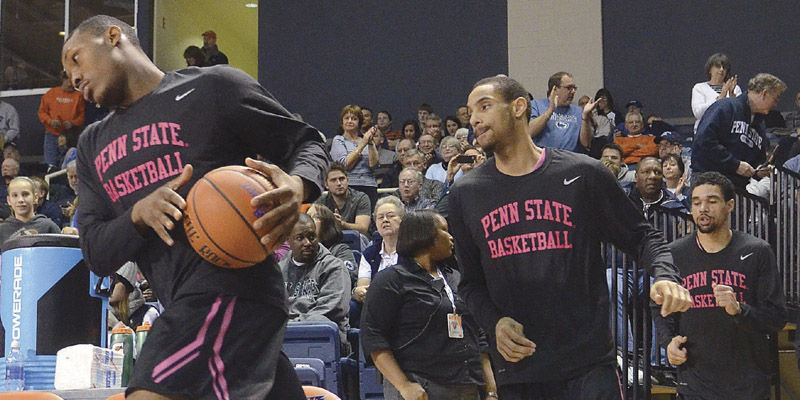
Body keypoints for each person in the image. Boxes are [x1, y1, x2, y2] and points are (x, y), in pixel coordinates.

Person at [62, 15, 329, 399]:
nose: (73, 77)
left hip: (235, 288)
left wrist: (297, 185)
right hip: (186, 307)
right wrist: (138, 215)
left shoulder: (214, 86)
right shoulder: (91, 146)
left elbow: (307, 142)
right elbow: (96, 253)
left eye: (76, 58)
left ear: (113, 36)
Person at [450, 75, 691, 399]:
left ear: (519, 107)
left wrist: (663, 276)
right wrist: (494, 323)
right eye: (470, 111)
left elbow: (643, 238)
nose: (474, 118)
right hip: (520, 370)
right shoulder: (466, 193)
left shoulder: (582, 174)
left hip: (587, 364)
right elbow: (470, 284)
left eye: (484, 106)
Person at [656, 172, 787, 400]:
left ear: (730, 205)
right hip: (694, 385)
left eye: (712, 201)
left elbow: (776, 318)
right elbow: (658, 308)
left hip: (747, 386)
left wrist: (739, 309)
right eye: (696, 202)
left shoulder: (757, 251)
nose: (703, 208)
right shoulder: (675, 254)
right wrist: (668, 343)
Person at [361, 210, 497, 400]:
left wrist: (491, 389)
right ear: (424, 236)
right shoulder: (391, 279)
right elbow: (373, 337)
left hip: (467, 385)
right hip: (419, 388)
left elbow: (478, 336)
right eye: (444, 230)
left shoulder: (456, 278)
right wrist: (404, 385)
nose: (451, 237)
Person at [692, 73, 786, 189]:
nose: (775, 104)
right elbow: (703, 141)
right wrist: (735, 164)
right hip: (708, 181)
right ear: (764, 93)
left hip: (737, 189)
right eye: (775, 99)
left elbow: (754, 162)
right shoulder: (725, 107)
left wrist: (757, 172)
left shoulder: (760, 126)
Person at [280, 213, 351, 347]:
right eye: (300, 238)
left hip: (322, 338)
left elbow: (331, 310)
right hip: (286, 336)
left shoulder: (334, 266)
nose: (307, 243)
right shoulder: (280, 268)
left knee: (318, 320)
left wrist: (291, 326)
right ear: (288, 239)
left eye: (312, 237)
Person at [350, 195, 404, 327]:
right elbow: (363, 287)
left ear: (403, 220)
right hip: (375, 308)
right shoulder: (370, 253)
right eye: (380, 217)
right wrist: (357, 292)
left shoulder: (412, 250)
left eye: (390, 216)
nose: (385, 220)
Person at [527, 71, 596, 153]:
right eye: (569, 88)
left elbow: (586, 143)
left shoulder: (579, 111)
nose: (573, 91)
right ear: (555, 89)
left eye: (574, 88)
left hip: (570, 160)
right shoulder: (536, 105)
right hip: (543, 159)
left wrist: (585, 116)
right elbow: (529, 132)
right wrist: (550, 110)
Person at [330, 104, 379, 208]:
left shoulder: (366, 140)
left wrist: (370, 143)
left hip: (369, 186)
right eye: (346, 118)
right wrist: (362, 145)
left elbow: (374, 165)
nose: (350, 121)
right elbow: (344, 165)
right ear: (342, 121)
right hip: (349, 187)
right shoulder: (338, 140)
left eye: (354, 119)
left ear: (359, 122)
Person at [38, 71, 85, 169]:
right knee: (50, 164)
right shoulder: (51, 93)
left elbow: (81, 117)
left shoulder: (78, 96)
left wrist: (72, 123)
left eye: (74, 81)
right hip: (52, 134)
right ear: (63, 79)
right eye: (69, 80)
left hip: (70, 135)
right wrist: (50, 121)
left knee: (69, 164)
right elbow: (41, 113)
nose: (71, 83)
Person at [306, 203, 357, 284]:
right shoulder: (298, 252)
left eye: (316, 217)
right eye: (308, 217)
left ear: (327, 224)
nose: (310, 222)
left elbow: (347, 276)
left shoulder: (341, 250)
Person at [314, 162, 371, 235]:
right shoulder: (321, 201)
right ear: (326, 185)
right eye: (333, 180)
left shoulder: (361, 198)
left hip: (357, 240)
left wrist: (342, 224)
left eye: (341, 179)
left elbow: (363, 229)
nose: (339, 183)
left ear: (347, 180)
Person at [691, 53, 742, 134]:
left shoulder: (735, 88)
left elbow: (740, 115)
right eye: (718, 66)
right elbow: (698, 113)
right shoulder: (699, 87)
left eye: (724, 67)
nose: (721, 69)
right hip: (705, 133)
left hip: (728, 133)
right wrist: (720, 98)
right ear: (710, 70)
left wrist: (732, 97)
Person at [0, 177, 61, 244]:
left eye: (25, 194)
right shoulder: (2, 230)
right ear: (9, 200)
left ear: (35, 198)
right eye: (15, 195)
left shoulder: (48, 226)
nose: (20, 200)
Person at [109, 261, 160, 331]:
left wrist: (116, 325)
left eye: (112, 279)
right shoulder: (102, 315)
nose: (107, 285)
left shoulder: (148, 314)